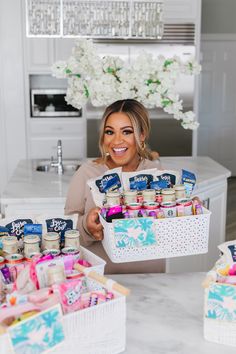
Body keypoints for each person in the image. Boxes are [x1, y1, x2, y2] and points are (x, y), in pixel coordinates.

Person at [65, 99, 165, 274]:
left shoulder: (156, 173)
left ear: (142, 135)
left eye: (126, 132)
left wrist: (189, 210)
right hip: (101, 278)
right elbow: (70, 234)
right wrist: (87, 226)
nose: (116, 141)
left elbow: (168, 225)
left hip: (150, 276)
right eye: (109, 132)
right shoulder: (87, 173)